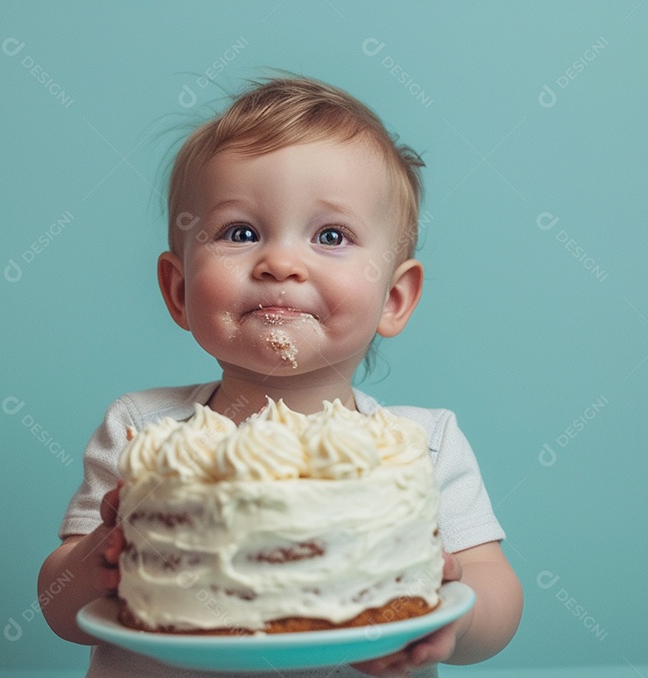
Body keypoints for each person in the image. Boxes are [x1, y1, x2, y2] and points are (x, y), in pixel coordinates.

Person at [38, 74, 522, 677]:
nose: (281, 264)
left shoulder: (420, 444)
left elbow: (494, 593)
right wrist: (95, 562)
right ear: (180, 290)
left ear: (395, 298)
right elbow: (57, 604)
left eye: (331, 235)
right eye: (241, 232)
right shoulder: (145, 431)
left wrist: (457, 620)